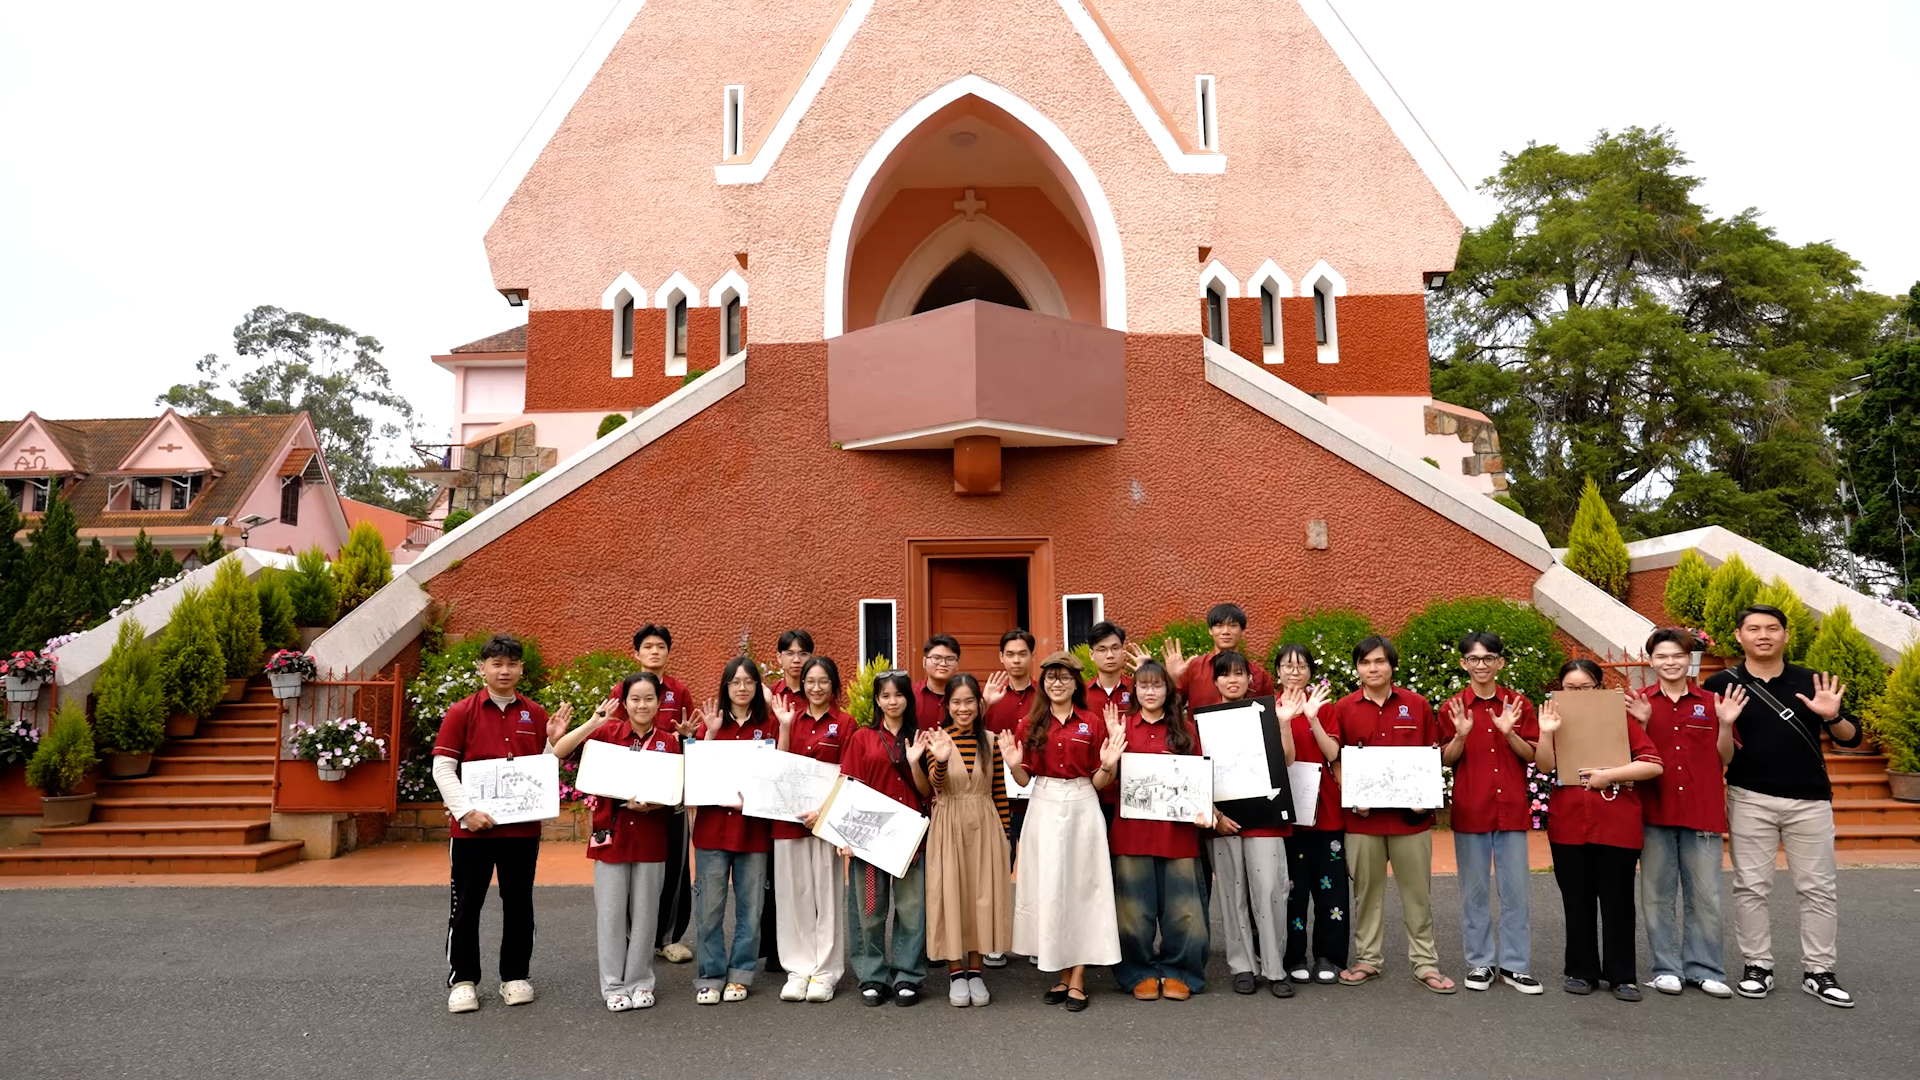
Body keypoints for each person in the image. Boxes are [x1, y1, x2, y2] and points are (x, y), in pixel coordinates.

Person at [1702, 604, 1864, 1008]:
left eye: (1772, 628)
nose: (1763, 635)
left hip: (1809, 800)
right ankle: (1757, 965)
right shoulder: (1721, 682)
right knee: (1751, 887)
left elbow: (1851, 738)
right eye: (1753, 628)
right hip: (1749, 797)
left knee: (1818, 889)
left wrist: (1833, 715)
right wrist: (1724, 723)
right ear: (1738, 636)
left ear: (1786, 635)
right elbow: (1714, 752)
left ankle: (1819, 970)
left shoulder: (1810, 680)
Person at [431, 634, 558, 1013]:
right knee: (466, 906)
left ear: (521, 669)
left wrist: (553, 742)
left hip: (520, 832)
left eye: (512, 664)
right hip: (472, 832)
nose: (504, 671)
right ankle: (463, 980)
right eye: (496, 664)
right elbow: (442, 767)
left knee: (519, 904)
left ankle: (515, 976)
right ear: (482, 668)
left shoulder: (534, 714)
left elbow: (542, 771)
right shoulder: (462, 712)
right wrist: (466, 812)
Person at [550, 672, 682, 1011]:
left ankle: (641, 981)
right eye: (635, 699)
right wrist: (593, 721)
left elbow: (677, 794)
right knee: (610, 914)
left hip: (652, 836)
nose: (642, 705)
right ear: (624, 703)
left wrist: (657, 803)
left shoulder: (669, 741)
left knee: (646, 914)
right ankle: (613, 986)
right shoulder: (607, 732)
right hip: (611, 836)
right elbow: (559, 752)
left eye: (649, 699)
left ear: (659, 703)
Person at [1536, 658, 1663, 1000]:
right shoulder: (1553, 719)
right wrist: (1546, 732)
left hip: (1616, 822)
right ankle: (1580, 970)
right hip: (1569, 823)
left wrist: (1610, 775)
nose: (1577, 694)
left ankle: (1622, 975)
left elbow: (1652, 764)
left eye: (1585, 687)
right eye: (1570, 688)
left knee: (1618, 901)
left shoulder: (1619, 719)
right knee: (1576, 900)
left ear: (1598, 687)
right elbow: (1545, 765)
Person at [1003, 650, 1123, 1011]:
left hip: (1083, 800)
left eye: (1065, 677)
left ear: (1076, 683)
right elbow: (1024, 777)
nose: (1058, 683)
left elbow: (1102, 779)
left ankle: (1078, 977)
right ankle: (1060, 972)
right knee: (1050, 888)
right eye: (1052, 677)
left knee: (1083, 887)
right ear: (1044, 683)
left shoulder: (1092, 722)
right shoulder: (1030, 723)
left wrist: (1108, 765)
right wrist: (1012, 766)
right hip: (1042, 801)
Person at [1335, 635, 1455, 993]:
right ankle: (1368, 960)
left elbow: (1430, 756)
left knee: (1417, 894)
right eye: (1366, 662)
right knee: (1367, 894)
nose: (1373, 668)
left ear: (1392, 666)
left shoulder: (1416, 705)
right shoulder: (1343, 708)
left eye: (1380, 662)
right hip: (1363, 820)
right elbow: (1337, 760)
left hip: (1411, 820)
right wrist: (1352, 795)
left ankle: (1425, 963)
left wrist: (1425, 795)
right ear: (1357, 668)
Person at [1635, 627, 1740, 999]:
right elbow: (1630, 756)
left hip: (1702, 810)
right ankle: (1665, 968)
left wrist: (1726, 724)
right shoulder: (1639, 702)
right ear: (1651, 661)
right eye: (1661, 656)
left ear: (1689, 658)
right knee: (1657, 896)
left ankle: (1706, 968)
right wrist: (1643, 723)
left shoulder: (1712, 702)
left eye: (1677, 655)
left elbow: (1726, 756)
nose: (1670, 662)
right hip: (1654, 811)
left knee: (1706, 896)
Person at [1440, 631, 1544, 995]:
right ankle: (1480, 962)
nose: (1480, 665)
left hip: (1511, 810)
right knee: (1475, 892)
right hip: (1471, 809)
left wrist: (1509, 732)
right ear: (1463, 663)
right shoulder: (1452, 708)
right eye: (1473, 659)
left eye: (1488, 658)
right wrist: (1461, 736)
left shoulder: (1518, 704)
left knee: (1516, 892)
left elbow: (1532, 755)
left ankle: (1515, 966)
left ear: (1500, 662)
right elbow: (1444, 759)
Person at [1110, 659, 1210, 1001]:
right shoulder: (1121, 729)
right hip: (1131, 832)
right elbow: (1107, 782)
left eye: (1157, 685)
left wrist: (1202, 807)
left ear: (1168, 690)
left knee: (1184, 908)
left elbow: (1200, 780)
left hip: (1177, 832)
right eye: (1143, 685)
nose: (1150, 691)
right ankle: (1137, 970)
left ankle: (1181, 970)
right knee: (1132, 910)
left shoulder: (1185, 730)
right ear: (1134, 691)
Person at [831, 670, 933, 1006]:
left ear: (908, 698)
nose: (893, 701)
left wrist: (916, 761)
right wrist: (845, 835)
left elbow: (927, 791)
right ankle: (872, 974)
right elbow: (850, 788)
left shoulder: (920, 738)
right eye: (886, 695)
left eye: (899, 695)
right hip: (869, 836)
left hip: (909, 834)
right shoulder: (862, 738)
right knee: (869, 909)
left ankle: (908, 974)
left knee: (911, 908)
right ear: (877, 700)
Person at [1205, 649, 1296, 998]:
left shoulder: (1266, 714)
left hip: (1266, 820)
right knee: (1232, 894)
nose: (1233, 680)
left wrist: (1285, 724)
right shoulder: (1204, 721)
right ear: (1215, 681)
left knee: (1271, 892)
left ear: (1249, 679)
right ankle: (1242, 965)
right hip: (1224, 823)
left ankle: (1275, 967)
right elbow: (1198, 772)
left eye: (1239, 673)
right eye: (1225, 674)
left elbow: (1286, 760)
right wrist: (1215, 817)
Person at [689, 655, 775, 1004]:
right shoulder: (712, 725)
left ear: (758, 687)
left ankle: (740, 974)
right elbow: (697, 776)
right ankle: (710, 975)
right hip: (711, 831)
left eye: (748, 682)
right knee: (709, 910)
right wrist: (707, 734)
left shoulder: (768, 726)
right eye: (735, 682)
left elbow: (775, 778)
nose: (742, 688)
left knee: (750, 910)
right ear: (726, 687)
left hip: (753, 831)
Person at [924, 673, 1013, 1006]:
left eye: (969, 701)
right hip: (949, 821)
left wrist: (1006, 836)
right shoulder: (938, 739)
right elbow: (936, 784)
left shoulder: (990, 741)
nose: (963, 708)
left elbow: (1000, 792)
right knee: (951, 894)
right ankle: (955, 971)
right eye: (956, 702)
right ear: (947, 705)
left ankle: (976, 971)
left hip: (985, 821)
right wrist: (943, 760)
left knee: (982, 895)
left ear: (979, 704)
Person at [769, 656, 848, 1004]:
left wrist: (823, 812)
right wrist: (785, 726)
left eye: (824, 681)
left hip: (824, 823)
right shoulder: (788, 718)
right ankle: (798, 970)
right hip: (787, 823)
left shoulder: (846, 723)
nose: (816, 688)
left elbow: (847, 775)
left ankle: (826, 972)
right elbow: (778, 766)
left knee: (826, 898)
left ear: (834, 685)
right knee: (792, 898)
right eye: (811, 681)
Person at [1274, 643, 1349, 987]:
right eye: (1287, 665)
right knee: (1293, 887)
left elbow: (1333, 751)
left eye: (1301, 666)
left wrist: (1314, 717)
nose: (1294, 671)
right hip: (1288, 810)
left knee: (1330, 888)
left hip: (1325, 808)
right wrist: (1285, 721)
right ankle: (1293, 955)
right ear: (1277, 672)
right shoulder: (1267, 708)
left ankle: (1328, 956)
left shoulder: (1325, 706)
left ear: (1310, 672)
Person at [632, 623, 695, 965]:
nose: (655, 652)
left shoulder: (679, 691)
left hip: (670, 793)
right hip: (631, 796)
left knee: (676, 865)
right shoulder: (625, 688)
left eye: (661, 647)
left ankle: (668, 937)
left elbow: (690, 742)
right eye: (648, 647)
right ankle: (634, 936)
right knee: (634, 867)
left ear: (668, 652)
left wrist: (687, 737)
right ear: (637, 653)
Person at [981, 628, 1037, 968]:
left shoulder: (1043, 695)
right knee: (997, 868)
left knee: (1035, 870)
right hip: (997, 797)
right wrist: (985, 703)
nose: (1016, 660)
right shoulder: (989, 697)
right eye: (1010, 654)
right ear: (1001, 658)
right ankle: (995, 939)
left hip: (1036, 796)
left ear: (1032, 657)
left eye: (1022, 654)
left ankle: (1034, 938)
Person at [1146, 602, 1275, 710]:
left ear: (1242, 630)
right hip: (1198, 739)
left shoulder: (1259, 675)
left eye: (1233, 626)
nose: (1225, 632)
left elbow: (1269, 715)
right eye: (1219, 626)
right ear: (1210, 630)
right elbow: (1171, 707)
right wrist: (1172, 679)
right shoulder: (1194, 667)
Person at [1084, 621, 1134, 827]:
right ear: (1091, 654)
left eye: (1115, 648)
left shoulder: (1139, 690)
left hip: (1132, 788)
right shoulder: (1080, 694)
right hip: (1090, 789)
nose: (1110, 655)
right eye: (1102, 649)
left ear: (1124, 651)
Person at [915, 635, 960, 731]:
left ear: (957, 665)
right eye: (936, 658)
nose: (943, 664)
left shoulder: (965, 695)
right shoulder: (910, 694)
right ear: (924, 662)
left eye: (950, 659)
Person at [768, 630, 814, 714]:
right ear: (779, 657)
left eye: (803, 654)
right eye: (790, 654)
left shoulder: (817, 693)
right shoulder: (771, 693)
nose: (796, 660)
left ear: (811, 658)